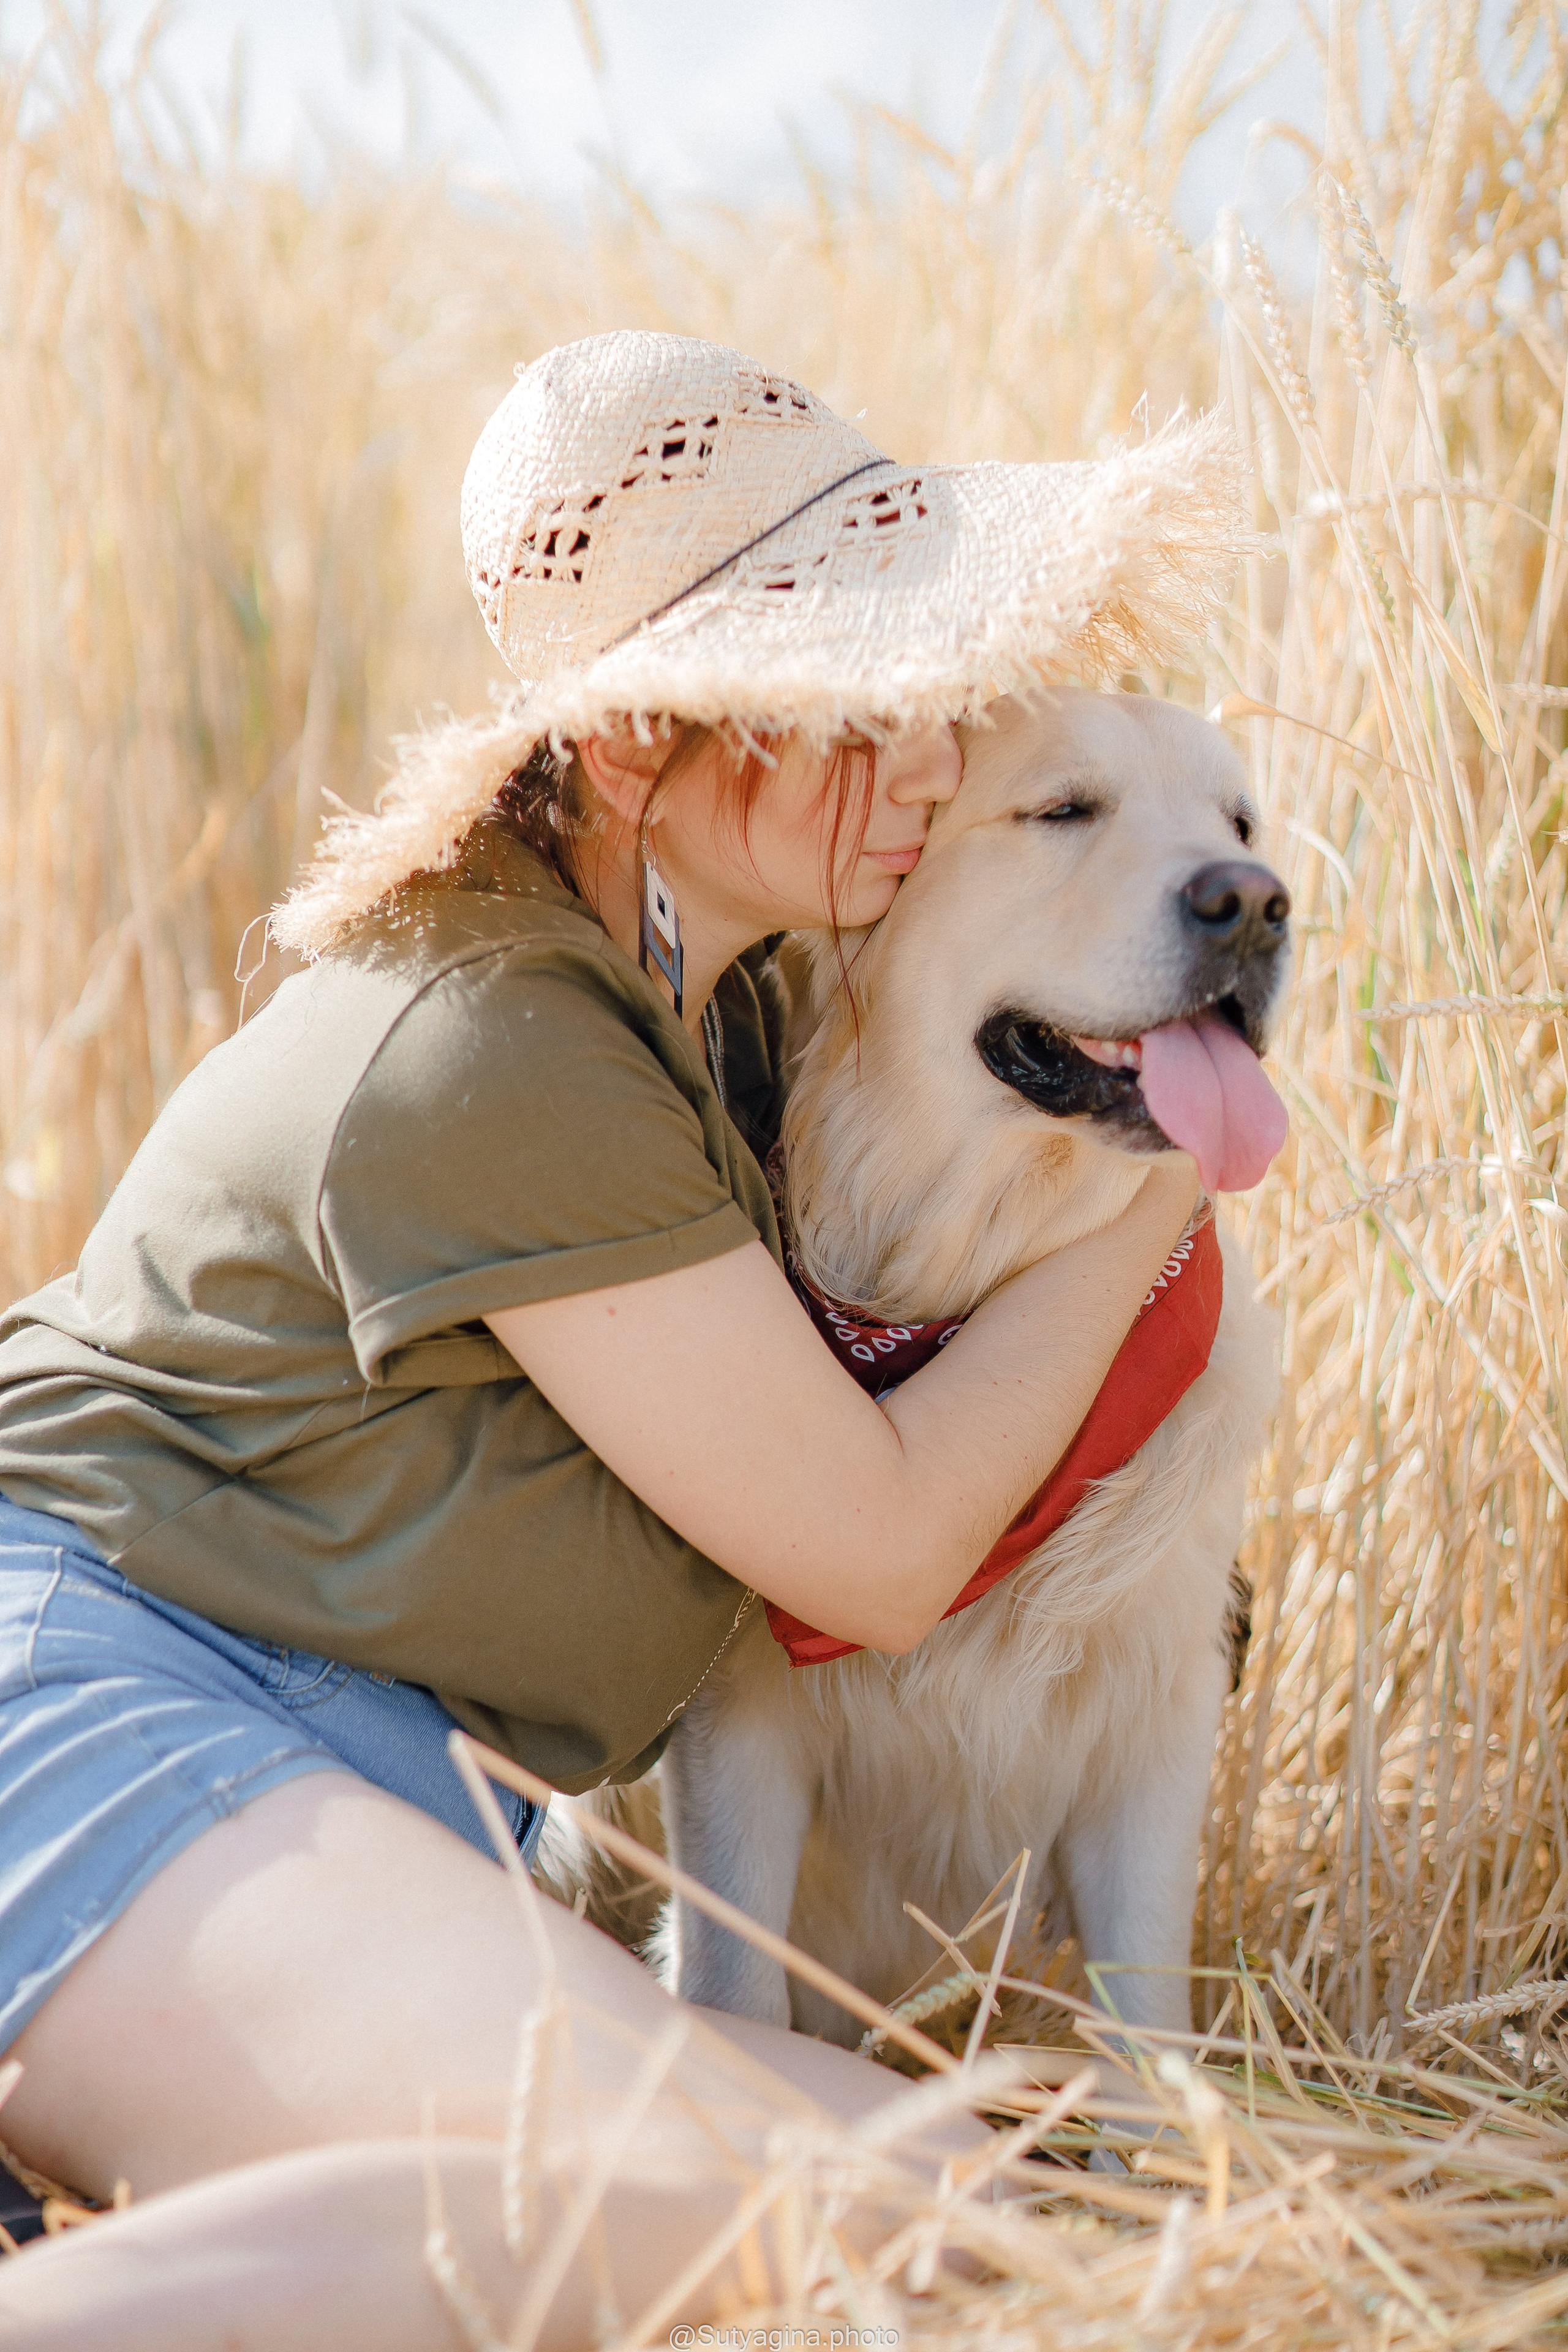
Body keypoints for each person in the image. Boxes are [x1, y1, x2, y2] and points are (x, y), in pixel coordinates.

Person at [0, 331, 1240, 2347]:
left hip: (351, 1792)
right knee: (666, 2219)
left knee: (989, 2202)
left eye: (933, 700)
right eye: (852, 708)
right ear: (650, 745)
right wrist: (1175, 1169)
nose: (926, 763)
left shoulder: (717, 1008)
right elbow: (878, 1550)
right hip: (88, 1710)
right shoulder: (501, 1043)